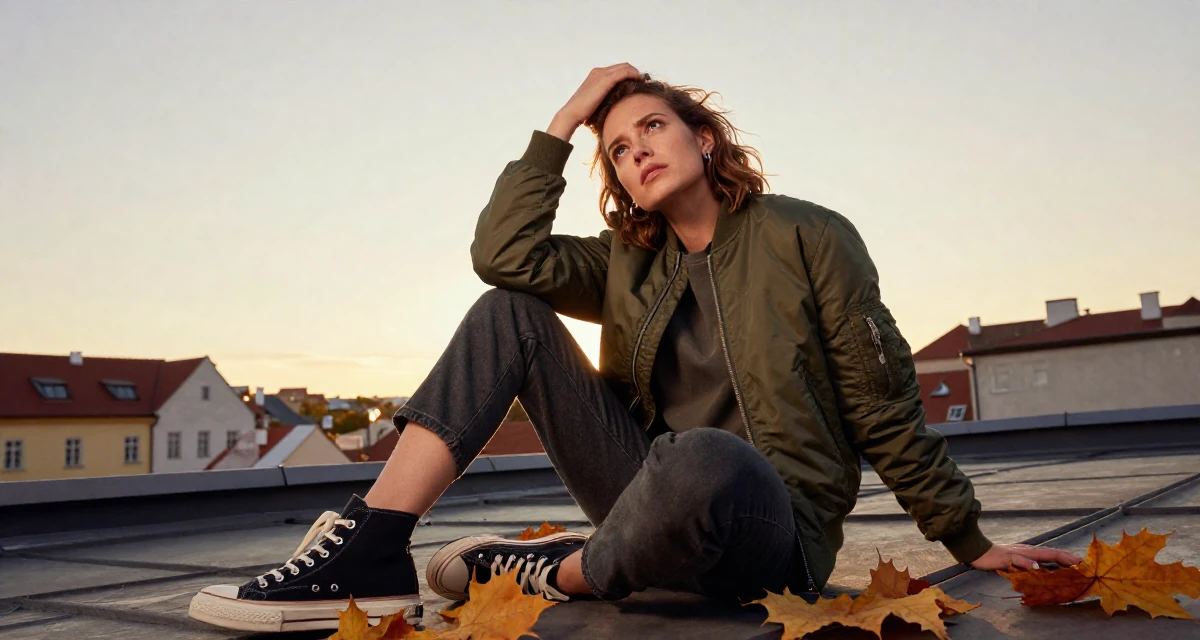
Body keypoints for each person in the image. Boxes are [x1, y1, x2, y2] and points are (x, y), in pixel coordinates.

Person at [188, 64, 1083, 633]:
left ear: (702, 136)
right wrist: (566, 116)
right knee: (509, 310)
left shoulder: (810, 238)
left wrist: (965, 539)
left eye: (651, 126)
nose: (636, 149)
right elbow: (502, 258)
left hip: (771, 524)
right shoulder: (626, 261)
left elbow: (882, 406)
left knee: (706, 461)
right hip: (640, 487)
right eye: (617, 148)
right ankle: (377, 541)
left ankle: (551, 569)